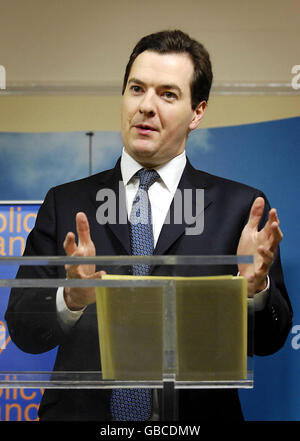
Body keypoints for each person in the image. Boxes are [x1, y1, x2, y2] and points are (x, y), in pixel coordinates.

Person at [5, 30, 292, 422]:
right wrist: (69, 298)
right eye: (136, 88)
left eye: (168, 94)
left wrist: (255, 290)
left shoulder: (241, 208)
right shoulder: (66, 202)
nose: (146, 106)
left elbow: (273, 338)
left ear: (197, 112)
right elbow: (23, 328)